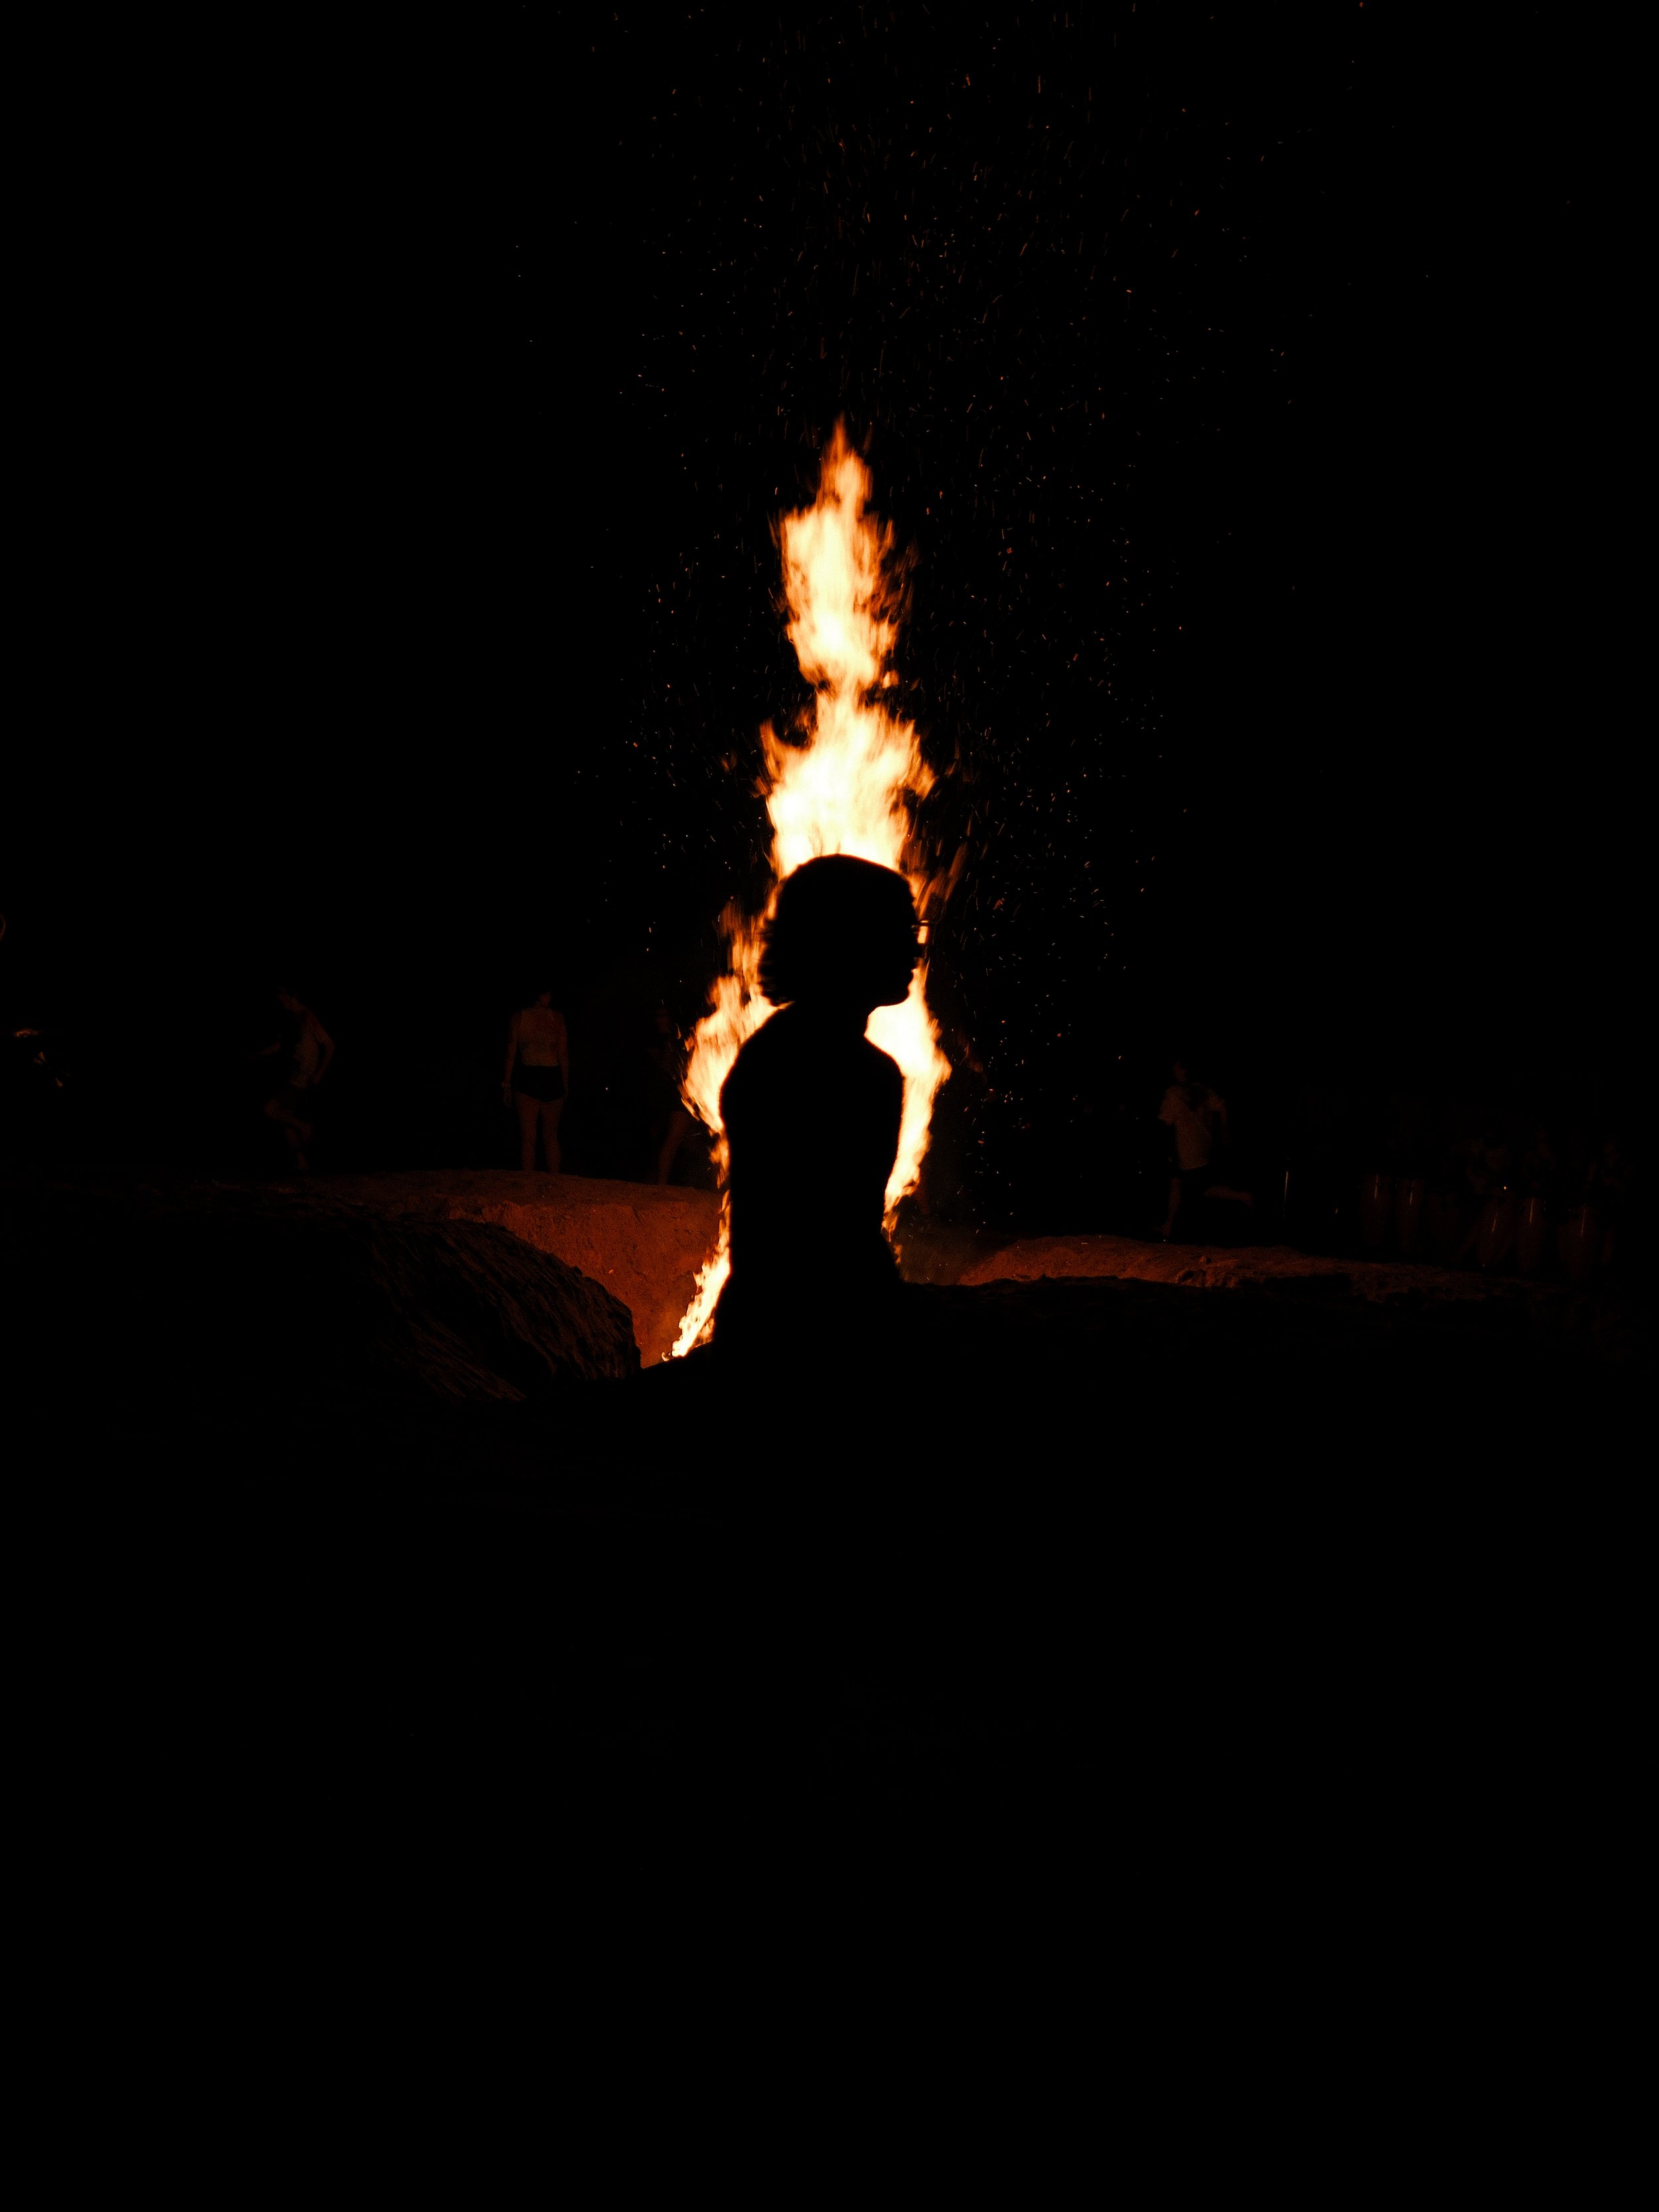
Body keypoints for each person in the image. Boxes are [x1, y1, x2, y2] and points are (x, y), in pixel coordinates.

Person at [713, 855, 920, 1368]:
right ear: (850, 939)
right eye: (902, 927)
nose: (916, 947)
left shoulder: (769, 1053)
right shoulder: (857, 1074)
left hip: (760, 1329)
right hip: (816, 1346)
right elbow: (844, 1246)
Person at [1155, 1056, 1253, 1239]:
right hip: (1204, 1147)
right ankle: (1168, 1225)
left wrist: (1167, 1149)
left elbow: (1165, 1123)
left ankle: (1243, 1197)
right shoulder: (1205, 1091)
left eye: (1177, 1068)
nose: (1174, 1072)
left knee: (1202, 1189)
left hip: (1186, 1150)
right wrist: (1224, 1132)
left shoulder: (1173, 1094)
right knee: (1177, 1182)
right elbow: (1222, 1108)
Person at [254, 986, 334, 1171]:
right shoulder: (289, 1019)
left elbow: (330, 1045)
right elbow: (279, 1045)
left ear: (293, 996)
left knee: (270, 1110)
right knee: (285, 1119)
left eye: (285, 998)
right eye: (280, 999)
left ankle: (304, 1127)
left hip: (301, 1077)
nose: (282, 1002)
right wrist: (258, 1055)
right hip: (294, 1073)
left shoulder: (307, 1017)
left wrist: (319, 1073)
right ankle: (301, 1163)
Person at [503, 988, 569, 1172]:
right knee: (546, 1137)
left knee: (531, 1138)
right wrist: (565, 1083)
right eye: (547, 993)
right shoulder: (556, 1018)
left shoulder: (520, 1018)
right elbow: (563, 1053)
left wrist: (507, 1083)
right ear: (538, 995)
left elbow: (511, 1052)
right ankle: (546, 1180)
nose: (550, 997)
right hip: (546, 1076)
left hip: (531, 1078)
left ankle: (539, 1179)